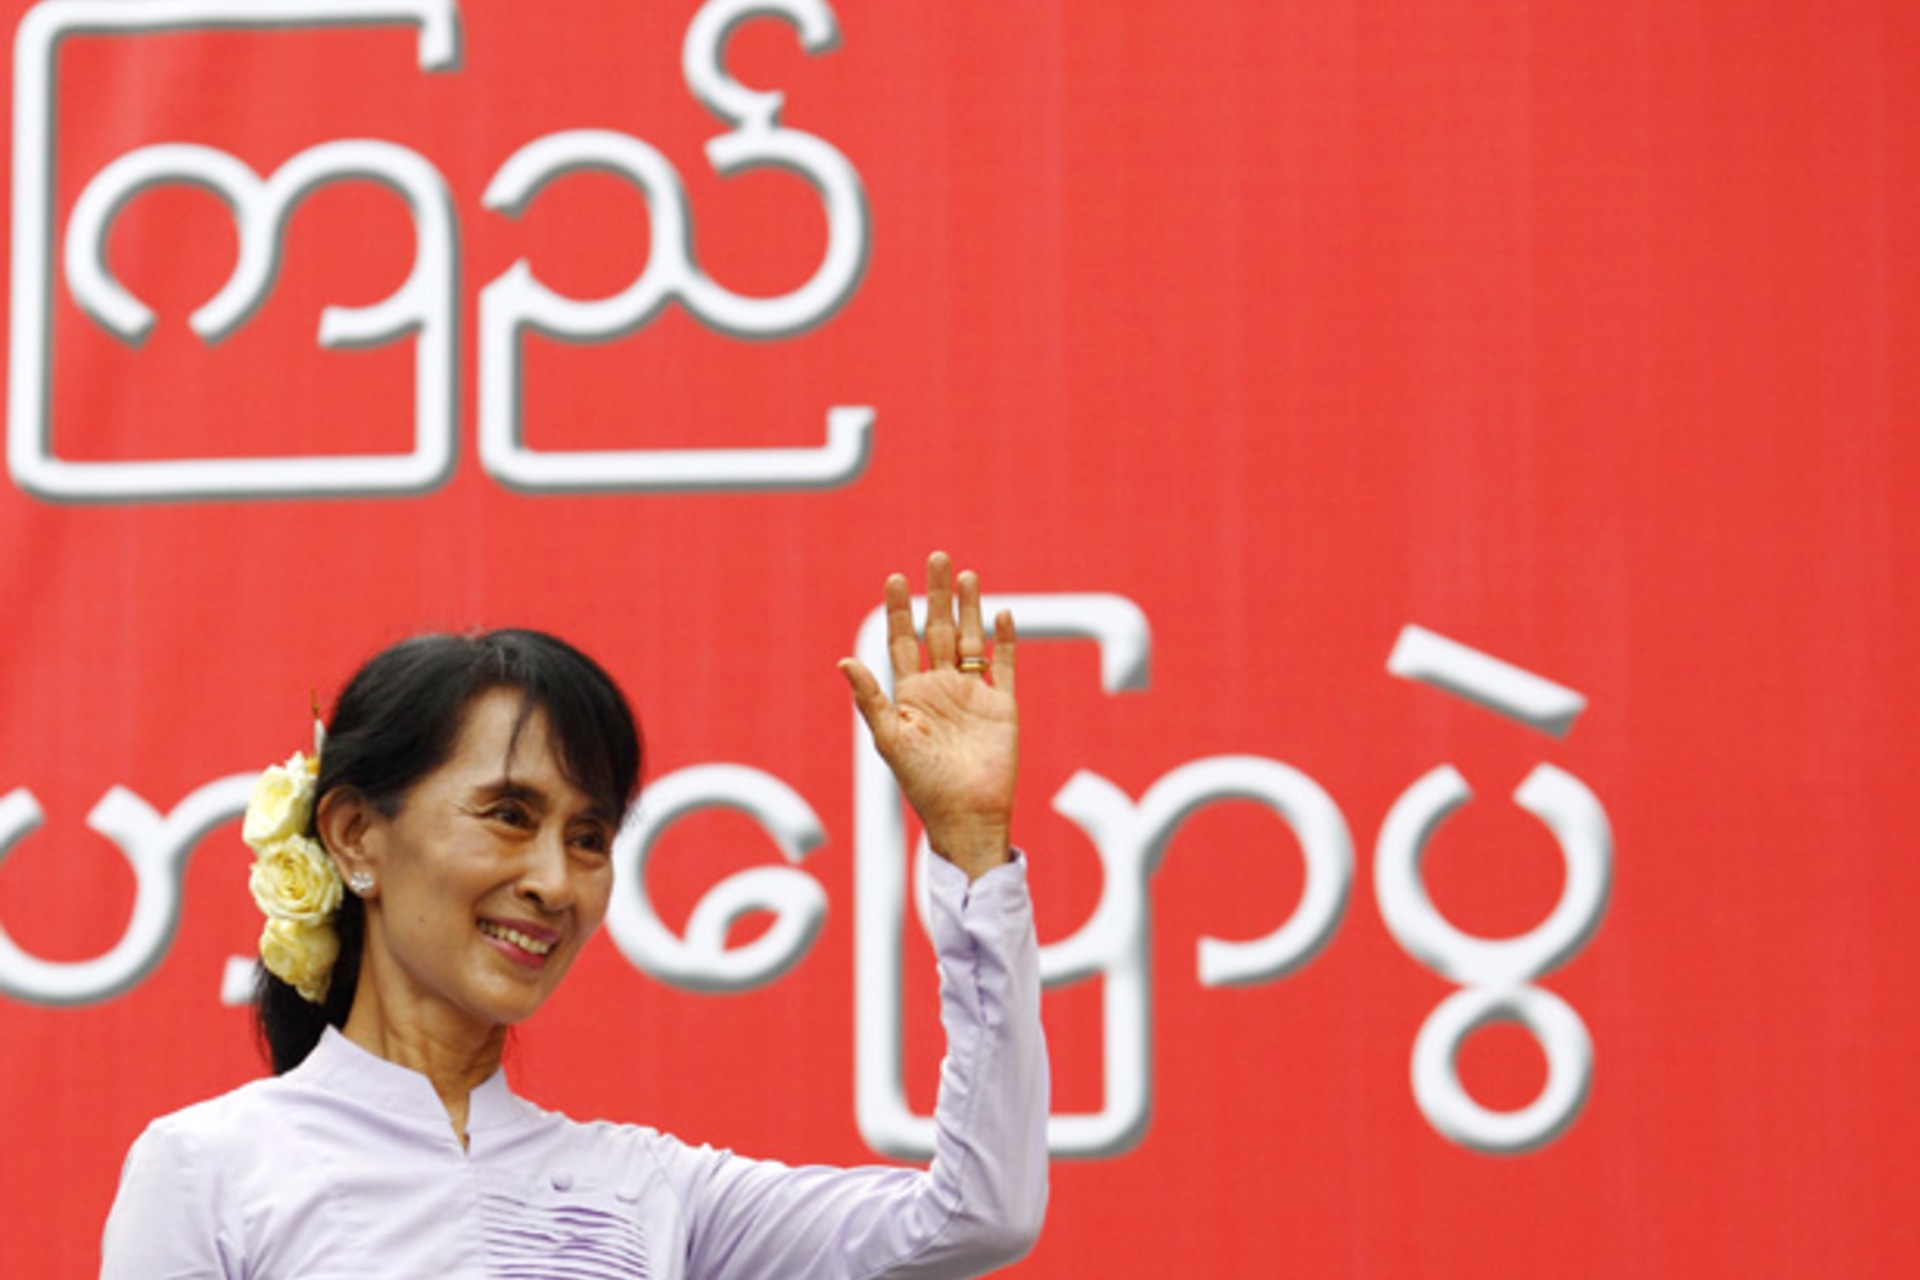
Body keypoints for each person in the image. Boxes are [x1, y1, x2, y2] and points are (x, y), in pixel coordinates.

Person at [100, 553, 1047, 1280]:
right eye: (509, 816)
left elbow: (976, 1215)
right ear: (355, 836)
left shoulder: (649, 1189)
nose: (555, 882)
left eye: (589, 837)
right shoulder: (210, 1168)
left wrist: (972, 849)